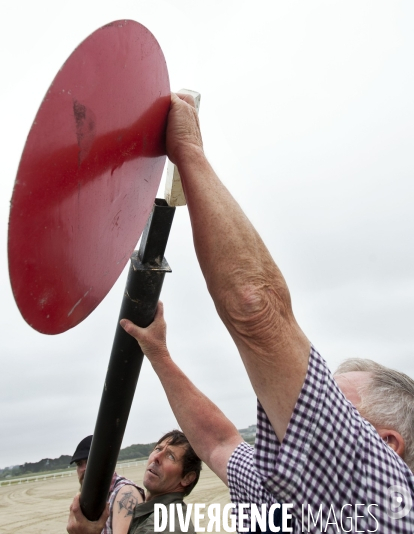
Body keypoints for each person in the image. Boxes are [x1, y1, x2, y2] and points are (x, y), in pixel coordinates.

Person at [118, 92, 414, 533]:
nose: (294, 409)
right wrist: (160, 354)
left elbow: (254, 307)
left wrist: (189, 154)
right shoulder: (284, 497)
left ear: (386, 446)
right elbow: (219, 440)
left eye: (332, 409)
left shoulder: (383, 502)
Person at [67, 430, 201, 534]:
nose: (156, 458)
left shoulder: (161, 526)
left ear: (187, 478)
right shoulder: (151, 515)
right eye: (158, 449)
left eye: (171, 456)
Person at [69, 435, 144, 534]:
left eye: (89, 461)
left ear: (104, 461)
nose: (84, 469)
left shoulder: (125, 493)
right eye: (79, 464)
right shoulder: (87, 498)